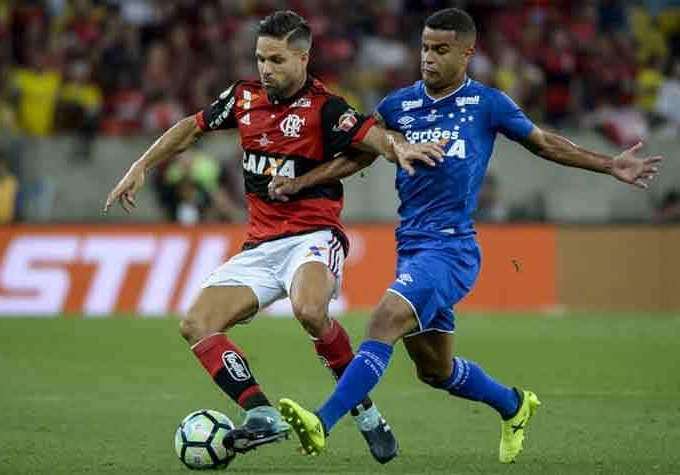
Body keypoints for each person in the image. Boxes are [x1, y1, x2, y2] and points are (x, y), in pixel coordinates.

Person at [271, 7, 664, 465]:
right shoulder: (398, 105)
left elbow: (543, 142)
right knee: (435, 370)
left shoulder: (488, 104)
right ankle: (514, 405)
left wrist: (608, 164)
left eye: (441, 50)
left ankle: (322, 422)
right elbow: (362, 156)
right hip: (412, 246)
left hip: (451, 248)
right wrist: (301, 182)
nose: (428, 58)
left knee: (383, 322)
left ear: (467, 53)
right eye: (424, 48)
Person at [103, 10, 442, 463]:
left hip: (313, 236)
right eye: (261, 58)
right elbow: (190, 128)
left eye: (277, 60)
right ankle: (261, 413)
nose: (266, 69)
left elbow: (373, 138)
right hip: (260, 245)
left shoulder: (326, 109)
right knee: (195, 324)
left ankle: (365, 413)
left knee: (309, 311)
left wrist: (399, 148)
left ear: (302, 58)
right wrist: (140, 166)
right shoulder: (243, 99)